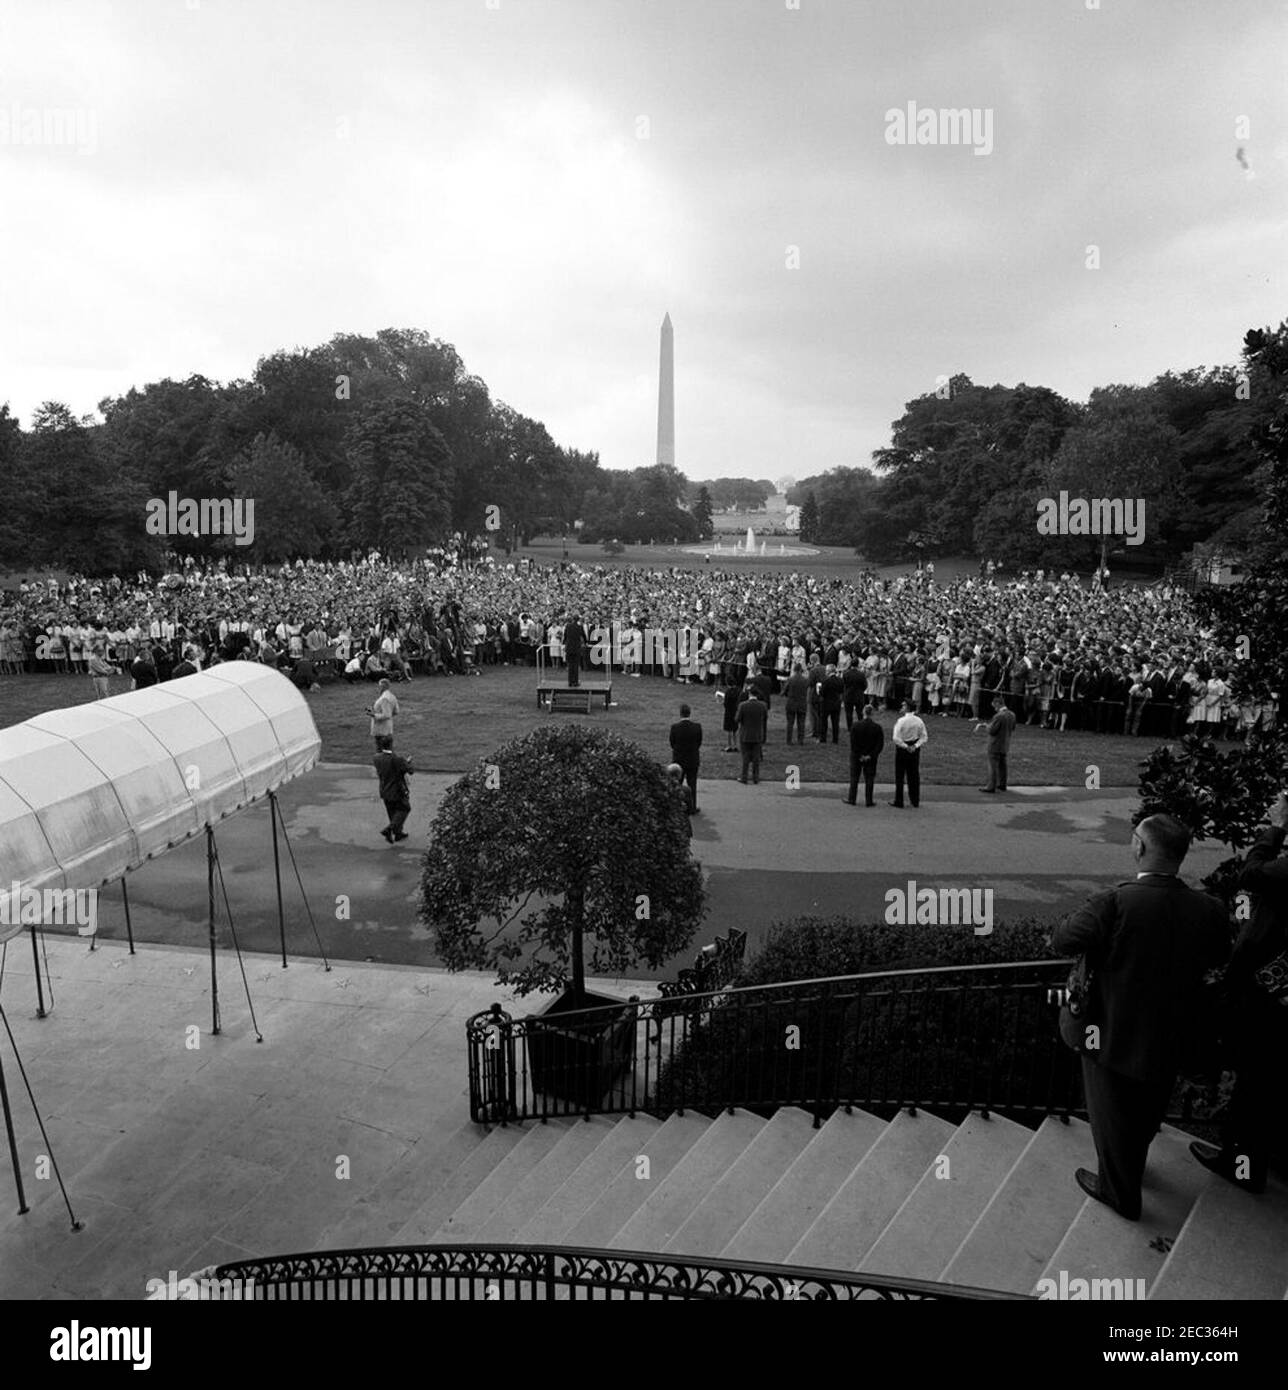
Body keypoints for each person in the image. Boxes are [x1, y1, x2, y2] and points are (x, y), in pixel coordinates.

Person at [1052, 815, 1228, 1221]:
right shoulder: (1210, 909)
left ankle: (1119, 1192)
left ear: (1139, 847)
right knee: (1149, 1105)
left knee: (1109, 1110)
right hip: (1171, 1031)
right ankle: (1133, 1165)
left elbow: (1064, 939)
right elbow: (1217, 957)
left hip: (1109, 1029)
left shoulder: (1115, 901)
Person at [1190, 793, 1288, 1193]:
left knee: (1255, 1087)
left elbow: (1252, 873)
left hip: (1268, 994)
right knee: (1261, 1085)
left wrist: (1277, 825)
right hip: (1273, 988)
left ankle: (1242, 1168)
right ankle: (1250, 1162)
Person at [372, 735, 414, 842]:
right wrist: (407, 762)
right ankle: (390, 829)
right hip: (397, 790)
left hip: (384, 789)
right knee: (405, 808)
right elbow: (410, 771)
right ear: (391, 745)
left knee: (392, 812)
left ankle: (397, 833)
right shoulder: (397, 759)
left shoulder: (376, 758)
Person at [888, 700, 927, 809]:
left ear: (908, 707)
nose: (902, 706)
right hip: (914, 749)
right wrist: (915, 746)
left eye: (904, 705)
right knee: (914, 775)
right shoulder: (919, 721)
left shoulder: (901, 721)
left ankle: (899, 800)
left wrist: (905, 746)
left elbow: (896, 738)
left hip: (902, 749)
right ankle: (915, 800)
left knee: (900, 775)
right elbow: (924, 736)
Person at [977, 694, 1017, 793]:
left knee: (993, 765)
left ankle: (991, 786)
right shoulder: (1012, 714)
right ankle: (1002, 784)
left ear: (998, 703)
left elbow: (992, 730)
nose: (994, 708)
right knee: (1003, 765)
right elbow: (1013, 728)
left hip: (995, 744)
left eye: (994, 705)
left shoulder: (999, 716)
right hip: (1005, 743)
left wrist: (986, 726)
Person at [846, 704, 884, 807]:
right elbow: (879, 745)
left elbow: (853, 744)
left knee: (854, 777)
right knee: (869, 778)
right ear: (872, 713)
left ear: (863, 712)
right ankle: (869, 800)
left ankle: (852, 798)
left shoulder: (855, 726)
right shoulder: (877, 728)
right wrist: (870, 755)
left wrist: (859, 754)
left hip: (856, 756)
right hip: (870, 757)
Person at [668, 703, 702, 815]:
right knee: (692, 784)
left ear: (680, 714)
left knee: (677, 783)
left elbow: (672, 743)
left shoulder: (675, 727)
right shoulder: (697, 727)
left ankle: (676, 806)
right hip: (692, 759)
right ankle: (692, 807)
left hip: (679, 759)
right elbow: (699, 743)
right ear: (689, 713)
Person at [736, 684, 768, 785]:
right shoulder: (763, 705)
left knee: (745, 757)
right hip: (758, 734)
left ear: (749, 694)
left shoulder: (743, 705)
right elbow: (765, 718)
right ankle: (756, 777)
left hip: (745, 734)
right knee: (756, 758)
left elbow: (737, 719)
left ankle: (744, 777)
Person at [367, 677, 399, 750]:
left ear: (382, 687)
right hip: (388, 728)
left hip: (381, 729)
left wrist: (373, 714)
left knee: (381, 752)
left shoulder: (384, 698)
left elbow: (386, 715)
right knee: (389, 751)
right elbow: (396, 711)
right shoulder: (392, 696)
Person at [784, 662, 810, 744]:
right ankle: (800, 740)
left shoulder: (790, 679)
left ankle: (789, 740)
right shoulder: (805, 680)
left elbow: (784, 691)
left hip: (791, 703)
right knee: (801, 723)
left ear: (794, 670)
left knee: (790, 723)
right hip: (802, 703)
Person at [817, 664, 844, 744]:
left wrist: (819, 690)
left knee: (823, 722)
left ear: (829, 671)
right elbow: (841, 691)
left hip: (826, 704)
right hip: (836, 703)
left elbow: (822, 693)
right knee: (835, 722)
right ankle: (835, 739)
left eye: (826, 670)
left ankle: (823, 739)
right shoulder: (840, 680)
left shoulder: (826, 681)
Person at [666, 763, 693, 836]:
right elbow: (690, 810)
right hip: (682, 823)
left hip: (667, 823)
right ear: (680, 775)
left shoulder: (663, 789)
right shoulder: (686, 790)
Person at [564, 613, 586, 686]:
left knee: (570, 665)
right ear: (578, 620)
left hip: (569, 648)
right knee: (576, 665)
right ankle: (575, 682)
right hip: (576, 648)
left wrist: (564, 643)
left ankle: (570, 682)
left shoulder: (568, 626)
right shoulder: (580, 627)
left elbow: (565, 636)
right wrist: (585, 642)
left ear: (573, 619)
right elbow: (584, 636)